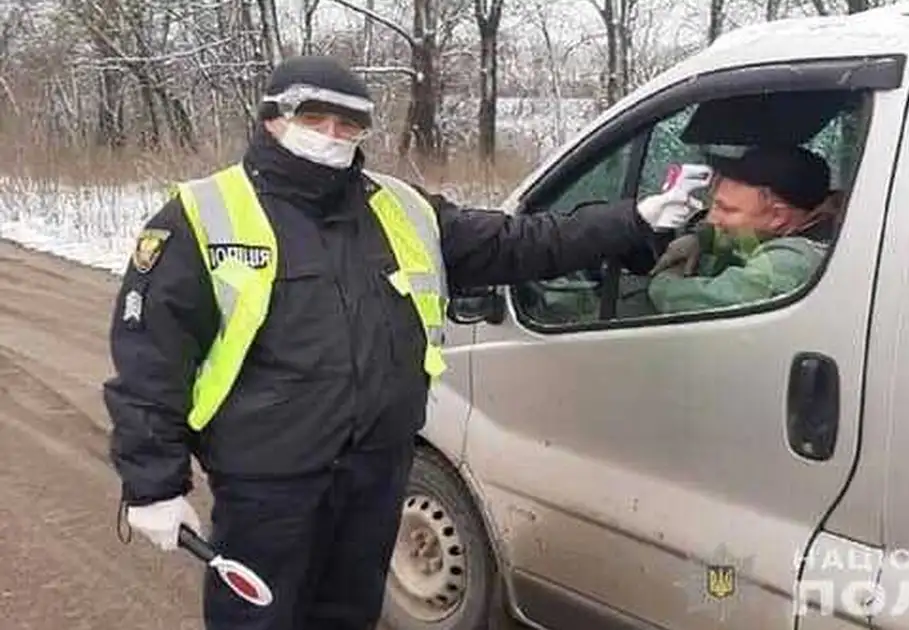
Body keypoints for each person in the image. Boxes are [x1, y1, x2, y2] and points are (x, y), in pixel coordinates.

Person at [103, 55, 698, 630]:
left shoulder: (402, 208)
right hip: (268, 481)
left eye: (348, 124)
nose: (333, 136)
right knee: (260, 619)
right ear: (270, 119)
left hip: (377, 469)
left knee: (348, 614)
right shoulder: (202, 215)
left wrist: (635, 220)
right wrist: (153, 483)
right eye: (314, 120)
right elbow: (150, 358)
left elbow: (517, 243)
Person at [647, 144, 839, 314]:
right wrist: (700, 239)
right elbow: (747, 238)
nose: (712, 218)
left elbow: (697, 302)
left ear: (779, 217)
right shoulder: (778, 227)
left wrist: (664, 279)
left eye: (727, 209)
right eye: (713, 204)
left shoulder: (792, 263)